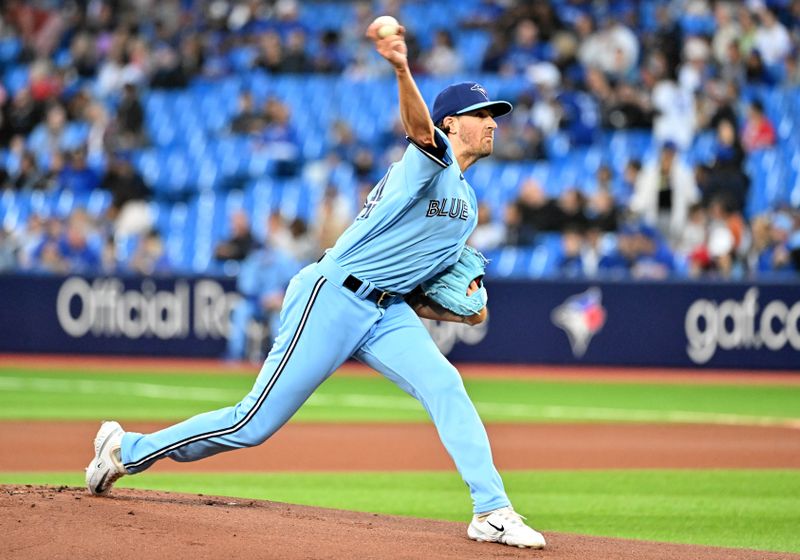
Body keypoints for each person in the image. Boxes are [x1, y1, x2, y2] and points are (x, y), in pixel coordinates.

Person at [85, 19, 546, 550]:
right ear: (451, 124)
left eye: (495, 115)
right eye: (482, 115)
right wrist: (400, 67)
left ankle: (491, 509)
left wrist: (460, 311)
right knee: (251, 425)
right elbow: (420, 130)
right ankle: (128, 448)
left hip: (386, 310)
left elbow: (420, 291)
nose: (493, 123)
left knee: (446, 385)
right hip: (333, 294)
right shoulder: (428, 163)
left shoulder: (466, 212)